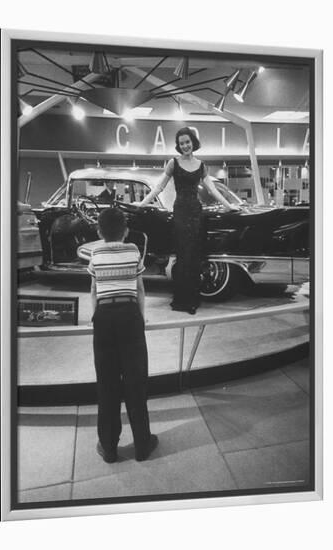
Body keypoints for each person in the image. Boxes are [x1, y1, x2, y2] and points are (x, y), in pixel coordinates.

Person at [136, 127, 240, 314]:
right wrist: (141, 204)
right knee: (183, 256)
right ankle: (181, 300)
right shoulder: (173, 163)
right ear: (179, 145)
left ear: (193, 142)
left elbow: (212, 190)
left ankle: (193, 299)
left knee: (194, 257)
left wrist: (228, 205)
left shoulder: (201, 165)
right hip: (181, 212)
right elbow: (159, 187)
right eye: (181, 143)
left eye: (187, 142)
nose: (185, 145)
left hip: (195, 212)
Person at [88, 207, 158, 463]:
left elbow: (94, 290)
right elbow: (139, 289)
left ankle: (108, 447)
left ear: (99, 231)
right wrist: (140, 317)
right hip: (129, 314)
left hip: (104, 317)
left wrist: (95, 318)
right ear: (126, 231)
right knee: (135, 381)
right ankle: (142, 445)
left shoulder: (95, 253)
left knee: (107, 383)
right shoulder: (133, 251)